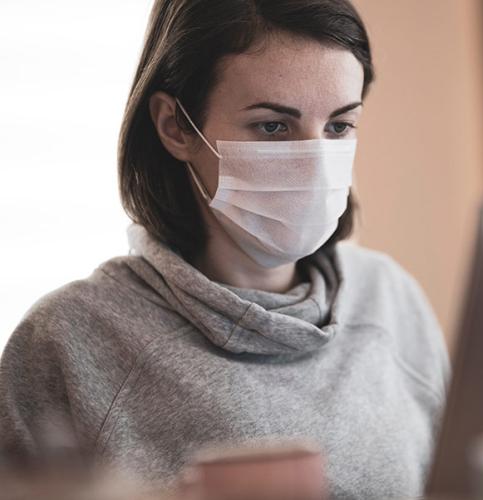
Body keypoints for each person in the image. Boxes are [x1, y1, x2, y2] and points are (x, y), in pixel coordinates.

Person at [0, 1, 449, 498]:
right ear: (175, 126)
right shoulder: (68, 340)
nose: (316, 164)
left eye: (339, 126)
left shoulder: (390, 299)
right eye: (273, 126)